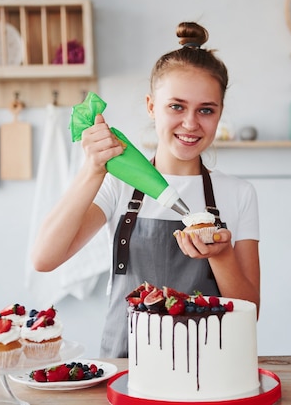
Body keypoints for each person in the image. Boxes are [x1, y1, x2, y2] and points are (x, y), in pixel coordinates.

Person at [31, 21, 260, 358]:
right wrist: (93, 169)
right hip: (128, 364)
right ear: (152, 106)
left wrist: (220, 255)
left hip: (208, 366)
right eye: (176, 106)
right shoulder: (117, 186)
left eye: (206, 110)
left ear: (219, 113)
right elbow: (44, 258)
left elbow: (249, 312)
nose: (191, 123)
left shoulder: (238, 194)